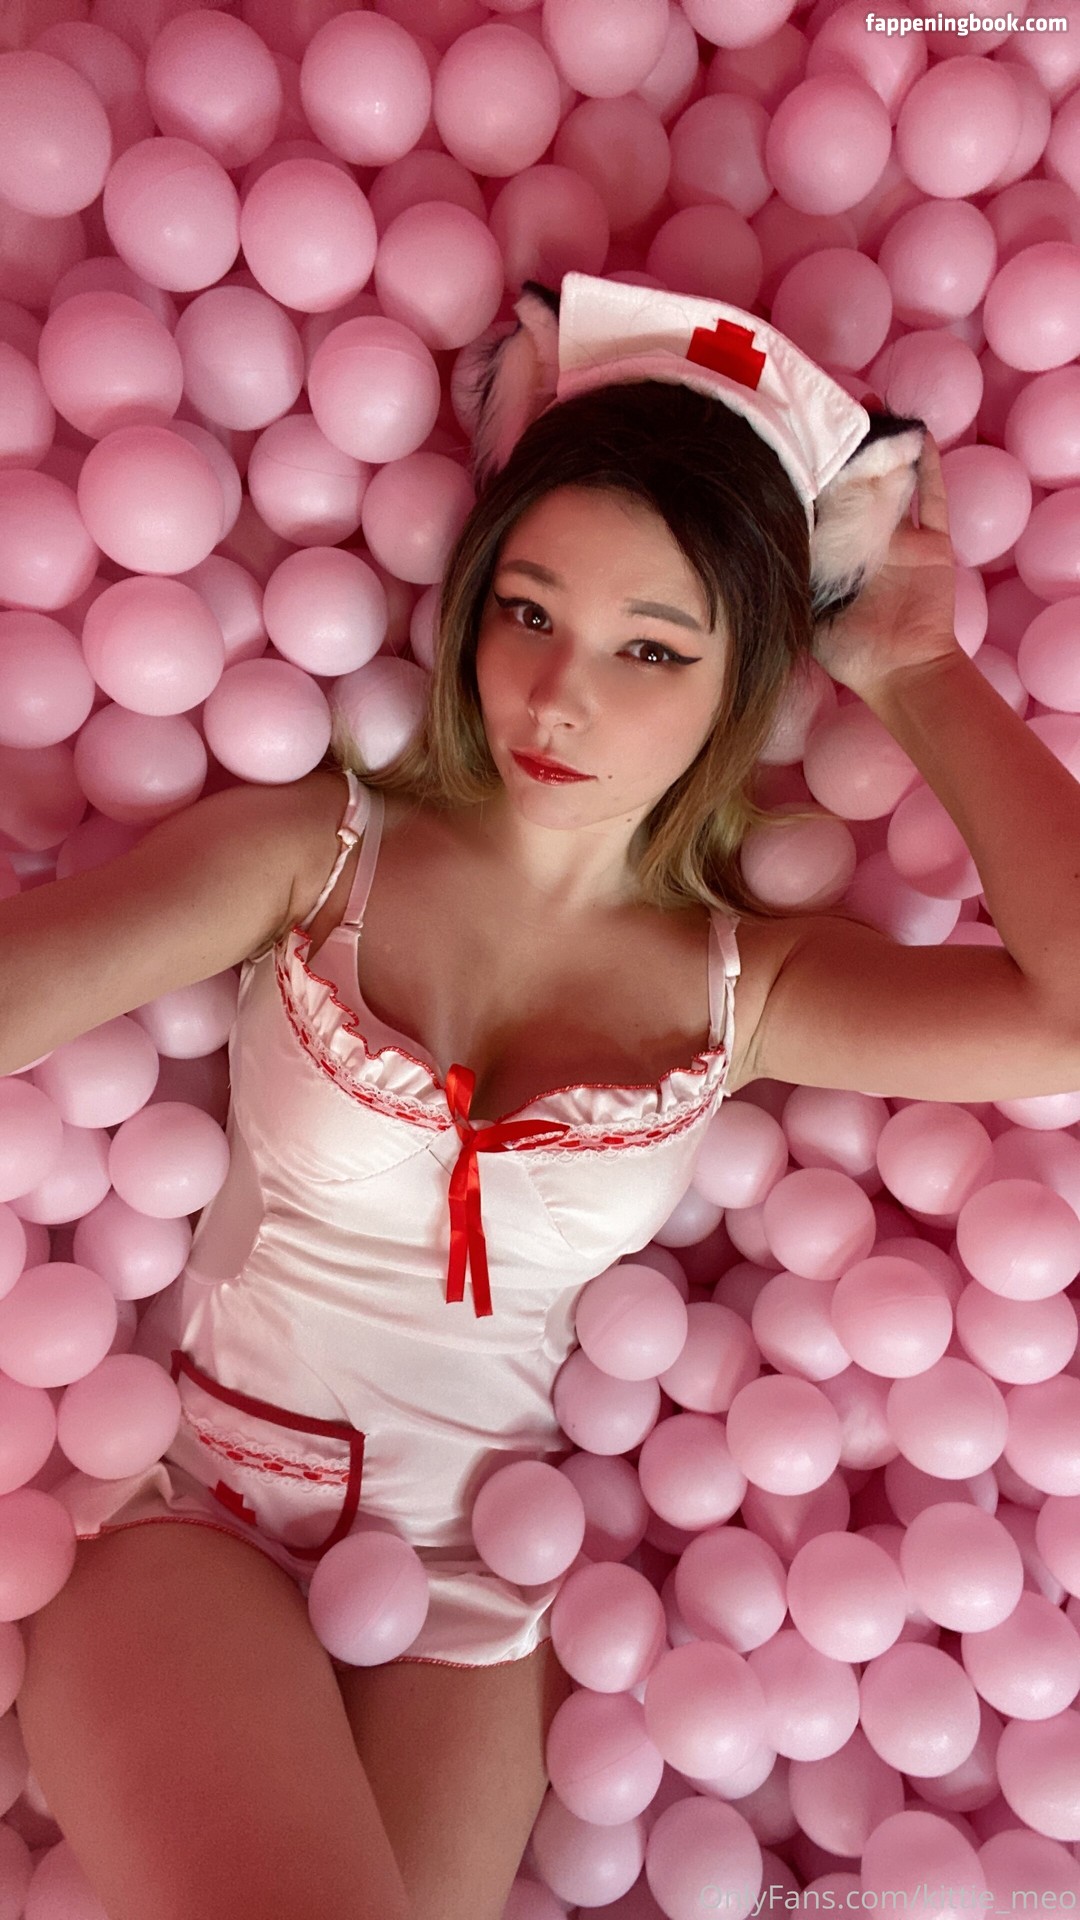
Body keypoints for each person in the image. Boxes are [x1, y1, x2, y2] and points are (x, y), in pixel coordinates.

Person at [7, 272, 1080, 1920]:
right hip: (193, 1510)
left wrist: (917, 665)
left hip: (467, 1587)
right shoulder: (320, 854)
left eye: (652, 648)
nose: (562, 694)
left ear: (741, 683)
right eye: (529, 613)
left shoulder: (747, 986)